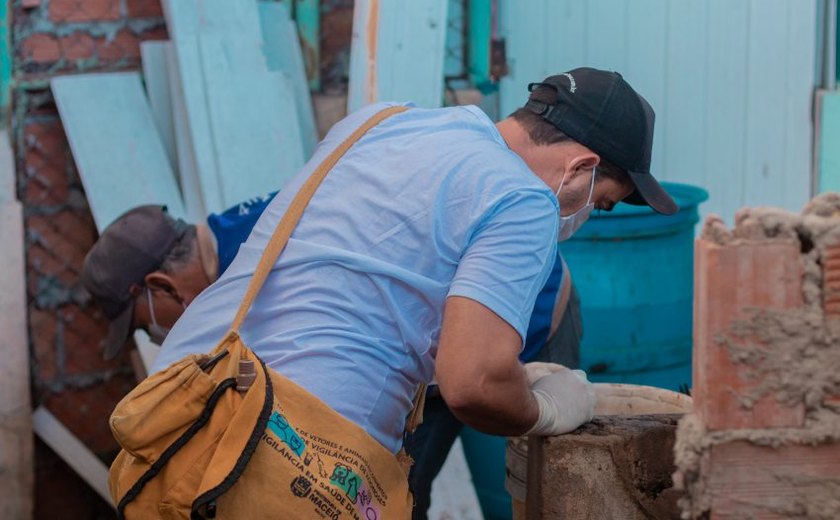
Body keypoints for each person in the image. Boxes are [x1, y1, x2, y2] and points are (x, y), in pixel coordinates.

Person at [94, 67, 676, 514]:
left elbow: (374, 286)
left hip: (183, 424)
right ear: (580, 166)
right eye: (597, 201)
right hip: (296, 458)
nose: (584, 216)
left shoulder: (380, 123)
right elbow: (472, 384)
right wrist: (544, 411)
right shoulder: (521, 197)